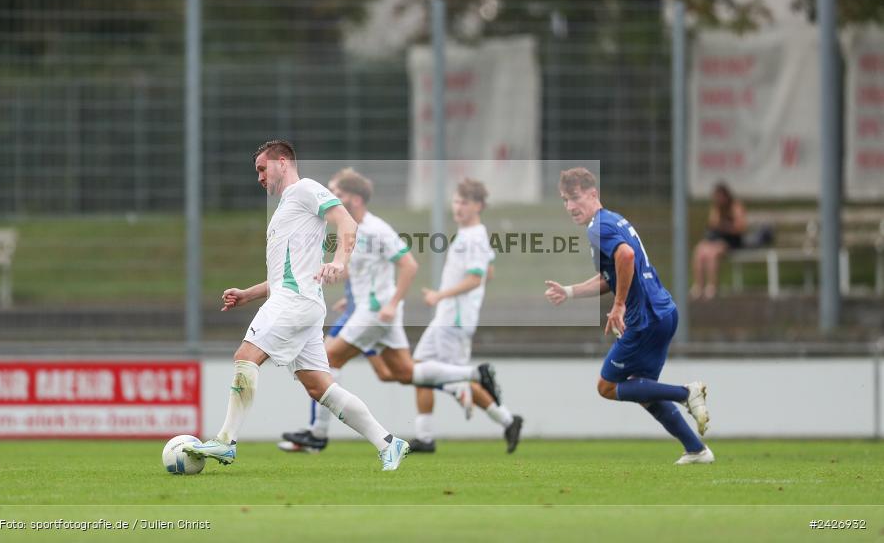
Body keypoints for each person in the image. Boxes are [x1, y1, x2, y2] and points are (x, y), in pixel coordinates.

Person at [183, 141, 409, 471]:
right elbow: (286, 275)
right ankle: (388, 443)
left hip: (295, 302)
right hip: (299, 301)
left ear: (283, 162)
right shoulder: (286, 208)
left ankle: (225, 441)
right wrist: (248, 294)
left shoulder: (305, 189)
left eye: (262, 168)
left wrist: (340, 261)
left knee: (246, 356)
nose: (259, 177)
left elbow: (347, 223)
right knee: (320, 387)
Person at [280, 169, 504, 453]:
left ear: (357, 199)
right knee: (404, 371)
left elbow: (409, 264)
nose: (332, 198)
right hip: (370, 311)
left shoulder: (377, 229)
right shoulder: (352, 228)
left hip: (375, 313)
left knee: (327, 358)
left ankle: (318, 433)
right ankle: (475, 374)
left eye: (339, 193)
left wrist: (391, 303)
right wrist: (343, 292)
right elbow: (359, 270)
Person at [543, 167, 713, 465]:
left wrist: (619, 305)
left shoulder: (598, 227)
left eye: (574, 198)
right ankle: (696, 449)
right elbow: (611, 276)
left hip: (644, 318)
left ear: (593, 194)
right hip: (664, 312)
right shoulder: (612, 220)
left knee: (607, 386)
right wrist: (569, 292)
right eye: (564, 200)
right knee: (642, 389)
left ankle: (686, 393)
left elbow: (626, 257)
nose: (569, 206)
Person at [411, 178, 523, 454]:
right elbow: (490, 271)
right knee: (418, 369)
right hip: (450, 316)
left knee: (442, 375)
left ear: (479, 206)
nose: (458, 207)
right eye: (456, 201)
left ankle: (502, 415)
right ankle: (505, 420)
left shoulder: (473, 237)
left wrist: (441, 295)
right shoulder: (472, 234)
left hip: (454, 319)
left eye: (465, 202)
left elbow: (476, 278)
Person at [691, 182, 747, 300]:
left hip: (732, 241)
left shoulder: (735, 207)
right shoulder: (716, 208)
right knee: (699, 250)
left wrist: (726, 226)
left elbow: (740, 227)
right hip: (717, 239)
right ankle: (699, 286)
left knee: (712, 254)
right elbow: (713, 225)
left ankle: (712, 287)